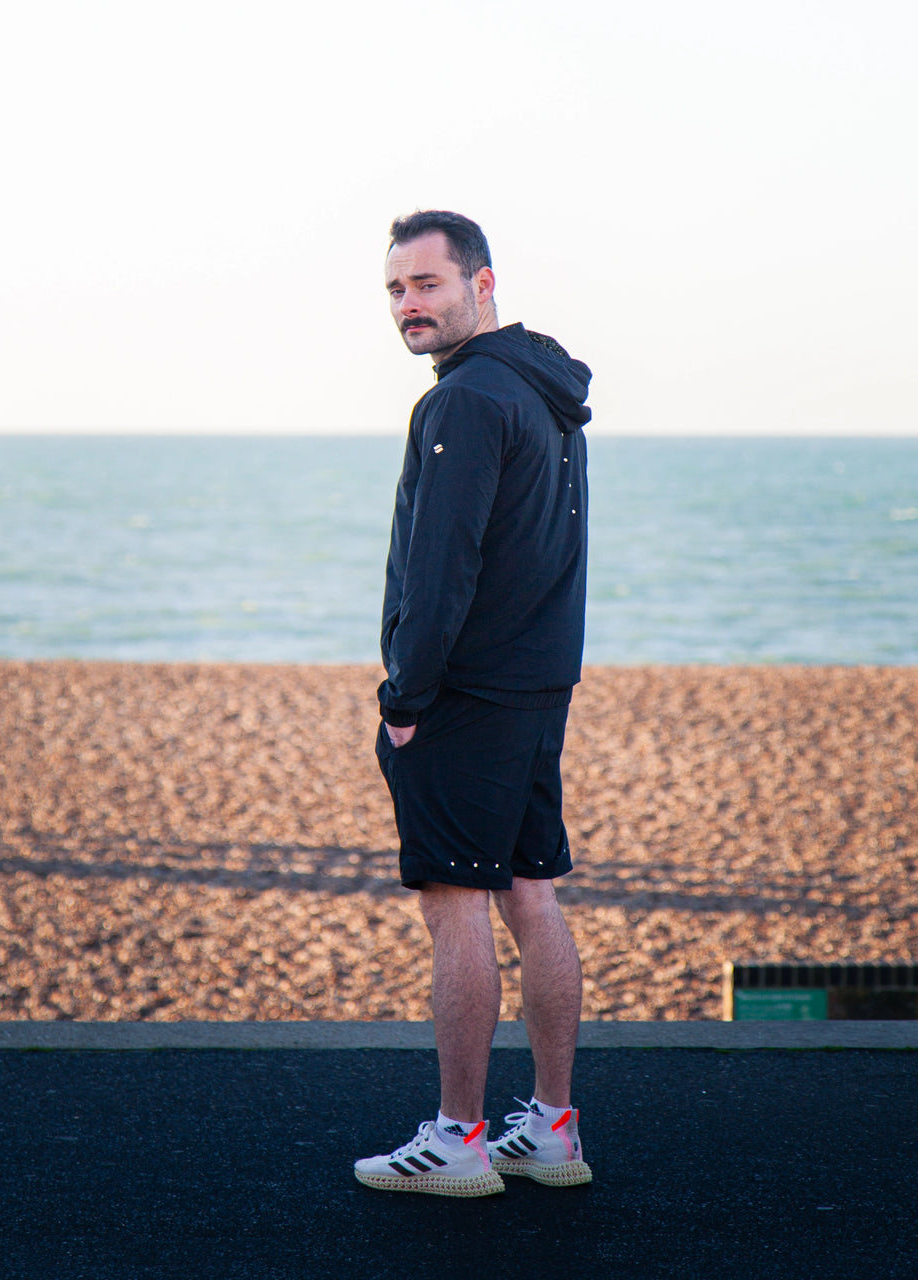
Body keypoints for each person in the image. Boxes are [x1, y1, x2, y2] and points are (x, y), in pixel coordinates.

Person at [354, 211, 593, 1198]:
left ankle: (459, 1138)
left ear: (480, 284)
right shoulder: (543, 392)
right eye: (395, 289)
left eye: (427, 284)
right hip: (536, 685)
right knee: (531, 893)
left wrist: (404, 698)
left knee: (456, 907)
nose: (408, 305)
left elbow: (439, 566)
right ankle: (553, 1127)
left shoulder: (463, 400)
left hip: (465, 695)